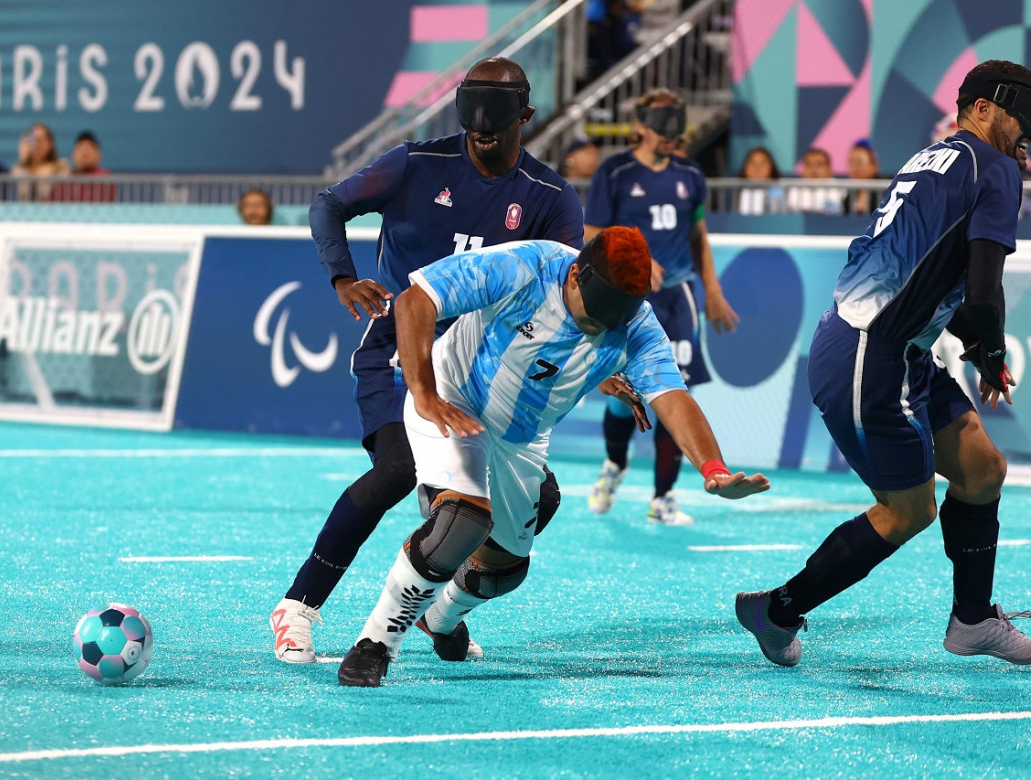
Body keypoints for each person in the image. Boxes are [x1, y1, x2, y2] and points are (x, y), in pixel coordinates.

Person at [336, 228, 771, 687]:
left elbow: (673, 397)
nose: (598, 330)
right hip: (454, 398)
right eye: (593, 317)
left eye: (611, 322)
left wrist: (714, 469)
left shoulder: (637, 326)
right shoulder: (527, 266)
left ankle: (439, 619)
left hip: (522, 438)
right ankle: (375, 644)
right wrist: (423, 392)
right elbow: (415, 300)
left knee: (502, 570)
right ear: (576, 275)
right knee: (461, 521)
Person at [736, 59, 1031, 668]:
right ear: (984, 107)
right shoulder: (995, 169)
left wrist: (971, 344)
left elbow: (926, 278)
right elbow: (985, 291)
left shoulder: (932, 157)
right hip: (872, 356)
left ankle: (971, 621)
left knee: (983, 469)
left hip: (884, 347)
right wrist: (990, 348)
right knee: (909, 510)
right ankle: (777, 610)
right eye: (1025, 118)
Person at [270, 57, 586, 664]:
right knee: (396, 470)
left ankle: (440, 613)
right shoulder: (417, 163)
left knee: (536, 500)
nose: (481, 131)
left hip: (478, 376)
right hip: (396, 355)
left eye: (496, 118)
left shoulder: (550, 197)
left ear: (525, 115)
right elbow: (329, 204)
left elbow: (564, 295)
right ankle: (297, 607)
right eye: (472, 117)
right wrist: (342, 279)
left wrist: (607, 361)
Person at [585, 88, 740, 526]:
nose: (671, 137)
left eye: (676, 127)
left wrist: (711, 288)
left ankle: (663, 498)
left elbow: (698, 236)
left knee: (676, 391)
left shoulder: (690, 173)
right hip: (626, 298)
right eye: (662, 127)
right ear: (639, 125)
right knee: (623, 394)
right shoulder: (614, 172)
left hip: (678, 297)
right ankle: (614, 466)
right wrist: (632, 256)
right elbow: (592, 232)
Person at [50, 131, 115, 203]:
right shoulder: (64, 180)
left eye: (90, 147)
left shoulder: (105, 179)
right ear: (73, 155)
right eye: (80, 147)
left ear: (99, 155)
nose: (85, 151)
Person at [11, 122, 69, 201]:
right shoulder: (17, 170)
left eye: (42, 140)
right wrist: (24, 160)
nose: (38, 144)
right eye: (34, 140)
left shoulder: (61, 166)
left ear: (50, 143)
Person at [736, 145, 785, 215]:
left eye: (763, 163)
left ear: (771, 167)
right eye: (752, 163)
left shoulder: (777, 191)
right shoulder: (734, 190)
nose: (757, 168)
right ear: (745, 167)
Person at [842, 139, 881, 215]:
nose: (856, 167)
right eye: (852, 162)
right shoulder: (845, 196)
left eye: (861, 161)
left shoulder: (885, 193)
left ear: (874, 165)